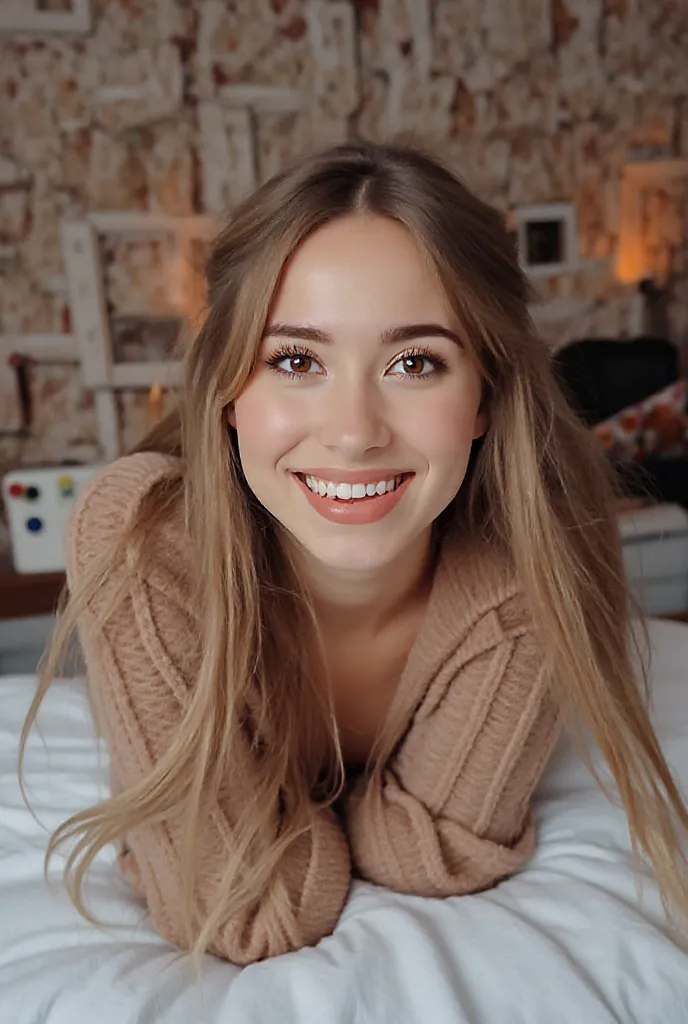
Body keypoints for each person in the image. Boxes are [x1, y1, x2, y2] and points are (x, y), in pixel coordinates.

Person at [20, 141, 688, 967]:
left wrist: (286, 816)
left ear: (484, 396)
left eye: (415, 363)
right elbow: (247, 907)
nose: (353, 431)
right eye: (295, 360)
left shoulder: (527, 574)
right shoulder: (143, 543)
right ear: (230, 393)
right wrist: (353, 821)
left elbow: (436, 851)